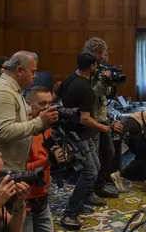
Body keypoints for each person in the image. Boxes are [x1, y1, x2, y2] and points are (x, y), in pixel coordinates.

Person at [0, 51, 58, 170]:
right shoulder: (1, 91)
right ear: (20, 70)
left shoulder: (13, 90)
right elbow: (3, 131)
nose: (35, 76)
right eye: (33, 72)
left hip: (3, 167)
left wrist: (40, 116)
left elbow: (21, 121)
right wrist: (39, 122)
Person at [55, 52, 111, 228]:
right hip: (79, 135)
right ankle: (69, 212)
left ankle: (82, 201)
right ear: (93, 66)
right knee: (90, 172)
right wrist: (103, 127)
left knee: (96, 166)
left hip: (78, 133)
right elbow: (84, 118)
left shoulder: (69, 80)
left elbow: (58, 100)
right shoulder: (86, 89)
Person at [82, 37, 122, 199]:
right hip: (91, 119)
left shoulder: (102, 69)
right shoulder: (87, 70)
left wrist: (110, 83)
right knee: (94, 158)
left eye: (104, 53)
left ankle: (100, 185)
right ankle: (90, 191)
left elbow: (106, 94)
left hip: (102, 115)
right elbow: (91, 95)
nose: (103, 56)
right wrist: (102, 81)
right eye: (99, 53)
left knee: (109, 152)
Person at [23, 87, 66, 232]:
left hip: (43, 194)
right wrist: (48, 161)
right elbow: (19, 169)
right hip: (24, 198)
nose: (47, 108)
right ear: (28, 103)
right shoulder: (22, 130)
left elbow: (47, 156)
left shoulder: (47, 127)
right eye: (42, 104)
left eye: (49, 103)